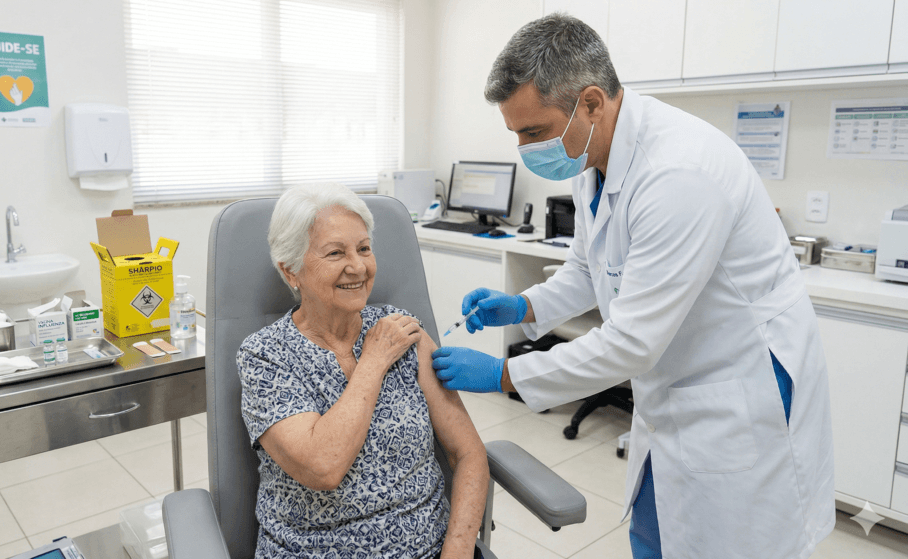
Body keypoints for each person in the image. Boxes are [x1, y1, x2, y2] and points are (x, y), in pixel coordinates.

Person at [430, 13, 834, 559]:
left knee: (728, 542)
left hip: (737, 387)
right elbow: (588, 269)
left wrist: (505, 373)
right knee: (655, 529)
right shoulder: (590, 154)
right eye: (516, 134)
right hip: (675, 384)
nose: (525, 149)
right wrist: (523, 306)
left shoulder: (679, 174)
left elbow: (631, 343)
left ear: (591, 103)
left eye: (533, 132)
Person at [238, 183, 489, 559]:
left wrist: (458, 550)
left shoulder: (402, 331)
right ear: (291, 271)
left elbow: (468, 453)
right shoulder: (264, 357)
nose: (358, 267)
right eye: (336, 252)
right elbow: (324, 467)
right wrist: (372, 361)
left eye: (364, 248)